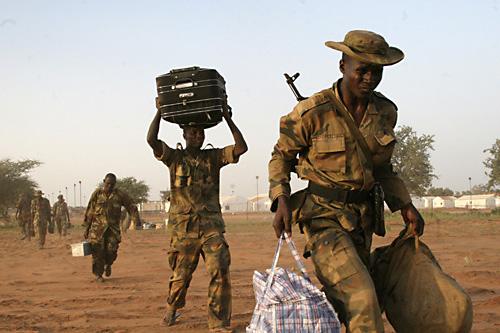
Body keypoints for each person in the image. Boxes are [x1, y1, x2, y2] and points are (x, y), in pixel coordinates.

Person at [268, 30, 425, 332]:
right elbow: (280, 156)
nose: (369, 78)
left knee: (348, 301)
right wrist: (281, 199)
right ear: (343, 67)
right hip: (322, 218)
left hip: (363, 220)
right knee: (362, 298)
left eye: (376, 71)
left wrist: (405, 205)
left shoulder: (385, 112)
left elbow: (383, 168)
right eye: (362, 70)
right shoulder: (312, 112)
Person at [147, 101, 247, 332]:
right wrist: (160, 112)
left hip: (211, 228)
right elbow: (151, 140)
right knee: (181, 277)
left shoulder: (213, 157)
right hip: (184, 230)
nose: (197, 136)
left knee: (220, 272)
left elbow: (241, 148)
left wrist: (227, 118)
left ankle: (219, 324)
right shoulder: (174, 158)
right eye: (192, 133)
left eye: (200, 133)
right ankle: (173, 306)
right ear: (184, 134)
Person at [83, 173, 141, 282]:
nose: (109, 186)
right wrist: (87, 228)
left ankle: (108, 264)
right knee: (97, 252)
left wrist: (136, 220)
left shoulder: (120, 194)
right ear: (104, 181)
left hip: (113, 230)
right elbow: (90, 210)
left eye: (112, 184)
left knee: (111, 251)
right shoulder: (97, 194)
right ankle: (98, 275)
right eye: (108, 183)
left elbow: (131, 206)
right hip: (97, 229)